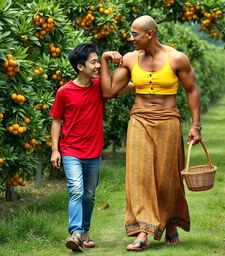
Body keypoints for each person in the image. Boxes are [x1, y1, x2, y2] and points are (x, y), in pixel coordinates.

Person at [100, 15, 202, 250]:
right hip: (140, 120)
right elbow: (109, 91)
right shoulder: (130, 59)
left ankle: (170, 221)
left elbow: (192, 90)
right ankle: (142, 231)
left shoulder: (176, 58)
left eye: (134, 34)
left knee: (167, 176)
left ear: (150, 34)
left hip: (168, 121)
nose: (130, 38)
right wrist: (105, 60)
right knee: (139, 175)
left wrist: (196, 125)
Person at [49, 43, 128, 252]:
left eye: (97, 61)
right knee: (76, 190)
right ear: (80, 67)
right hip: (71, 150)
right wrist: (55, 149)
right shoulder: (64, 92)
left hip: (93, 151)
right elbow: (56, 120)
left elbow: (123, 86)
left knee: (89, 195)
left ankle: (84, 232)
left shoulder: (100, 88)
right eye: (93, 62)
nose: (96, 66)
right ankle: (75, 232)